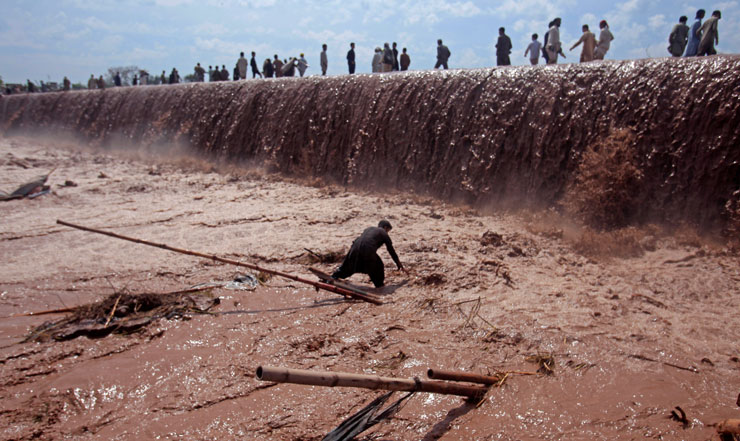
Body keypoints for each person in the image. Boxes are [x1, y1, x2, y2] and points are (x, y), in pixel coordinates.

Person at [332, 220, 404, 288]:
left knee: (349, 267)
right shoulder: (383, 232)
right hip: (367, 250)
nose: (387, 233)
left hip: (354, 248)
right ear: (385, 227)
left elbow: (360, 240)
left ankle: (334, 276)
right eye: (388, 231)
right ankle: (380, 287)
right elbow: (391, 250)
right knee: (378, 266)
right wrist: (398, 263)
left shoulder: (369, 229)